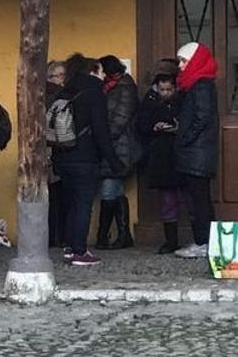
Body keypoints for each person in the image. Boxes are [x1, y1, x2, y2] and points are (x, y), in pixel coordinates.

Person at [51, 54, 121, 266]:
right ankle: (80, 251)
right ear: (92, 72)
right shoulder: (94, 93)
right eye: (100, 71)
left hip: (63, 155)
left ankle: (69, 247)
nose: (103, 75)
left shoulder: (64, 91)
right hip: (85, 157)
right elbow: (101, 132)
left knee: (71, 203)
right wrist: (113, 161)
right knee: (83, 204)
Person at [172, 42, 219, 259]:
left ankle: (204, 242)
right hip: (196, 152)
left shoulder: (201, 85)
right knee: (197, 199)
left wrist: (184, 138)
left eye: (184, 61)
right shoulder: (197, 84)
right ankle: (204, 241)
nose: (180, 66)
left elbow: (201, 118)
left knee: (198, 200)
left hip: (196, 153)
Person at [135, 73, 184, 254]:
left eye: (168, 89)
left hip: (180, 154)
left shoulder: (183, 101)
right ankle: (171, 240)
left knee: (187, 197)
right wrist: (153, 127)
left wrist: (177, 128)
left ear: (175, 88)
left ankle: (195, 239)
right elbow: (141, 124)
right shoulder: (150, 102)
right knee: (167, 199)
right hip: (162, 155)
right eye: (162, 89)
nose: (165, 93)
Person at [95, 55, 139, 250]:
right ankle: (122, 234)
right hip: (112, 145)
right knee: (115, 189)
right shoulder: (111, 87)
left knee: (109, 187)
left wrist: (103, 137)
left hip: (119, 145)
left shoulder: (124, 87)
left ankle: (103, 235)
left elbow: (121, 117)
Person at [46, 60, 68, 248]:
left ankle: (55, 236)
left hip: (53, 150)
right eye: (58, 75)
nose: (62, 79)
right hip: (54, 150)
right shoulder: (55, 96)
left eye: (63, 75)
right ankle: (57, 236)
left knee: (56, 196)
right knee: (57, 196)